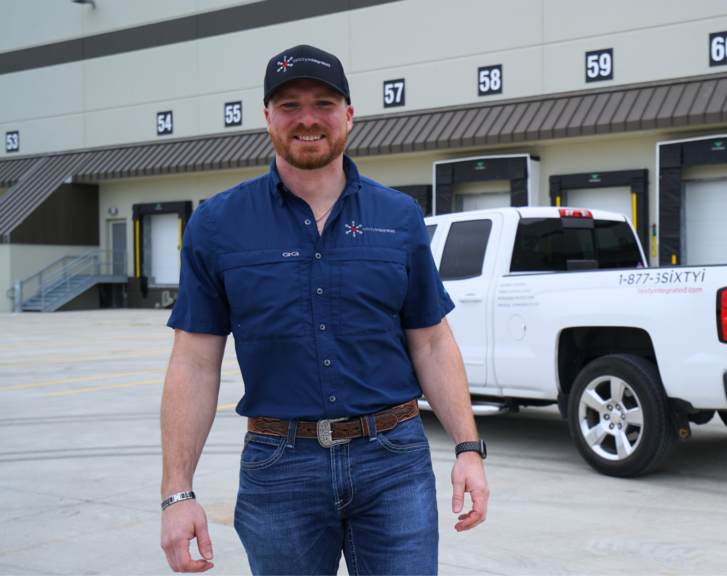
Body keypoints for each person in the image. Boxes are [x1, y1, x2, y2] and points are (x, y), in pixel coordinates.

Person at [159, 44, 488, 575]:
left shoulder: (399, 217)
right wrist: (177, 493)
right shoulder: (217, 226)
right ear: (267, 117)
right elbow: (195, 363)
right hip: (278, 468)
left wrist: (468, 448)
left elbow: (430, 340)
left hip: (394, 462)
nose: (307, 118)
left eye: (323, 103)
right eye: (289, 105)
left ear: (349, 116)